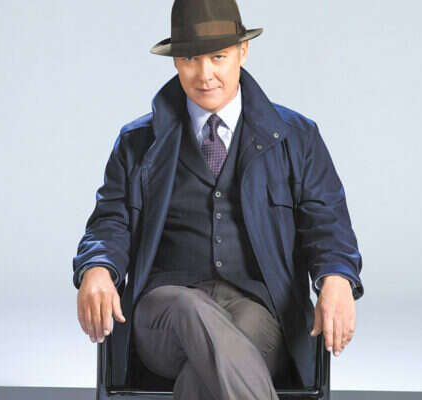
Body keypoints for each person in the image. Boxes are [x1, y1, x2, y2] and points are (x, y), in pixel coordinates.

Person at [73, 0, 364, 398]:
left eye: (218, 57)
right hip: (164, 310)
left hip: (258, 311)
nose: (204, 74)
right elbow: (110, 221)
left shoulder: (297, 138)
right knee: (191, 310)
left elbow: (327, 222)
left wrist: (337, 277)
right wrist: (97, 267)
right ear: (176, 62)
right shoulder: (136, 142)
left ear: (243, 52)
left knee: (207, 370)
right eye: (190, 59)